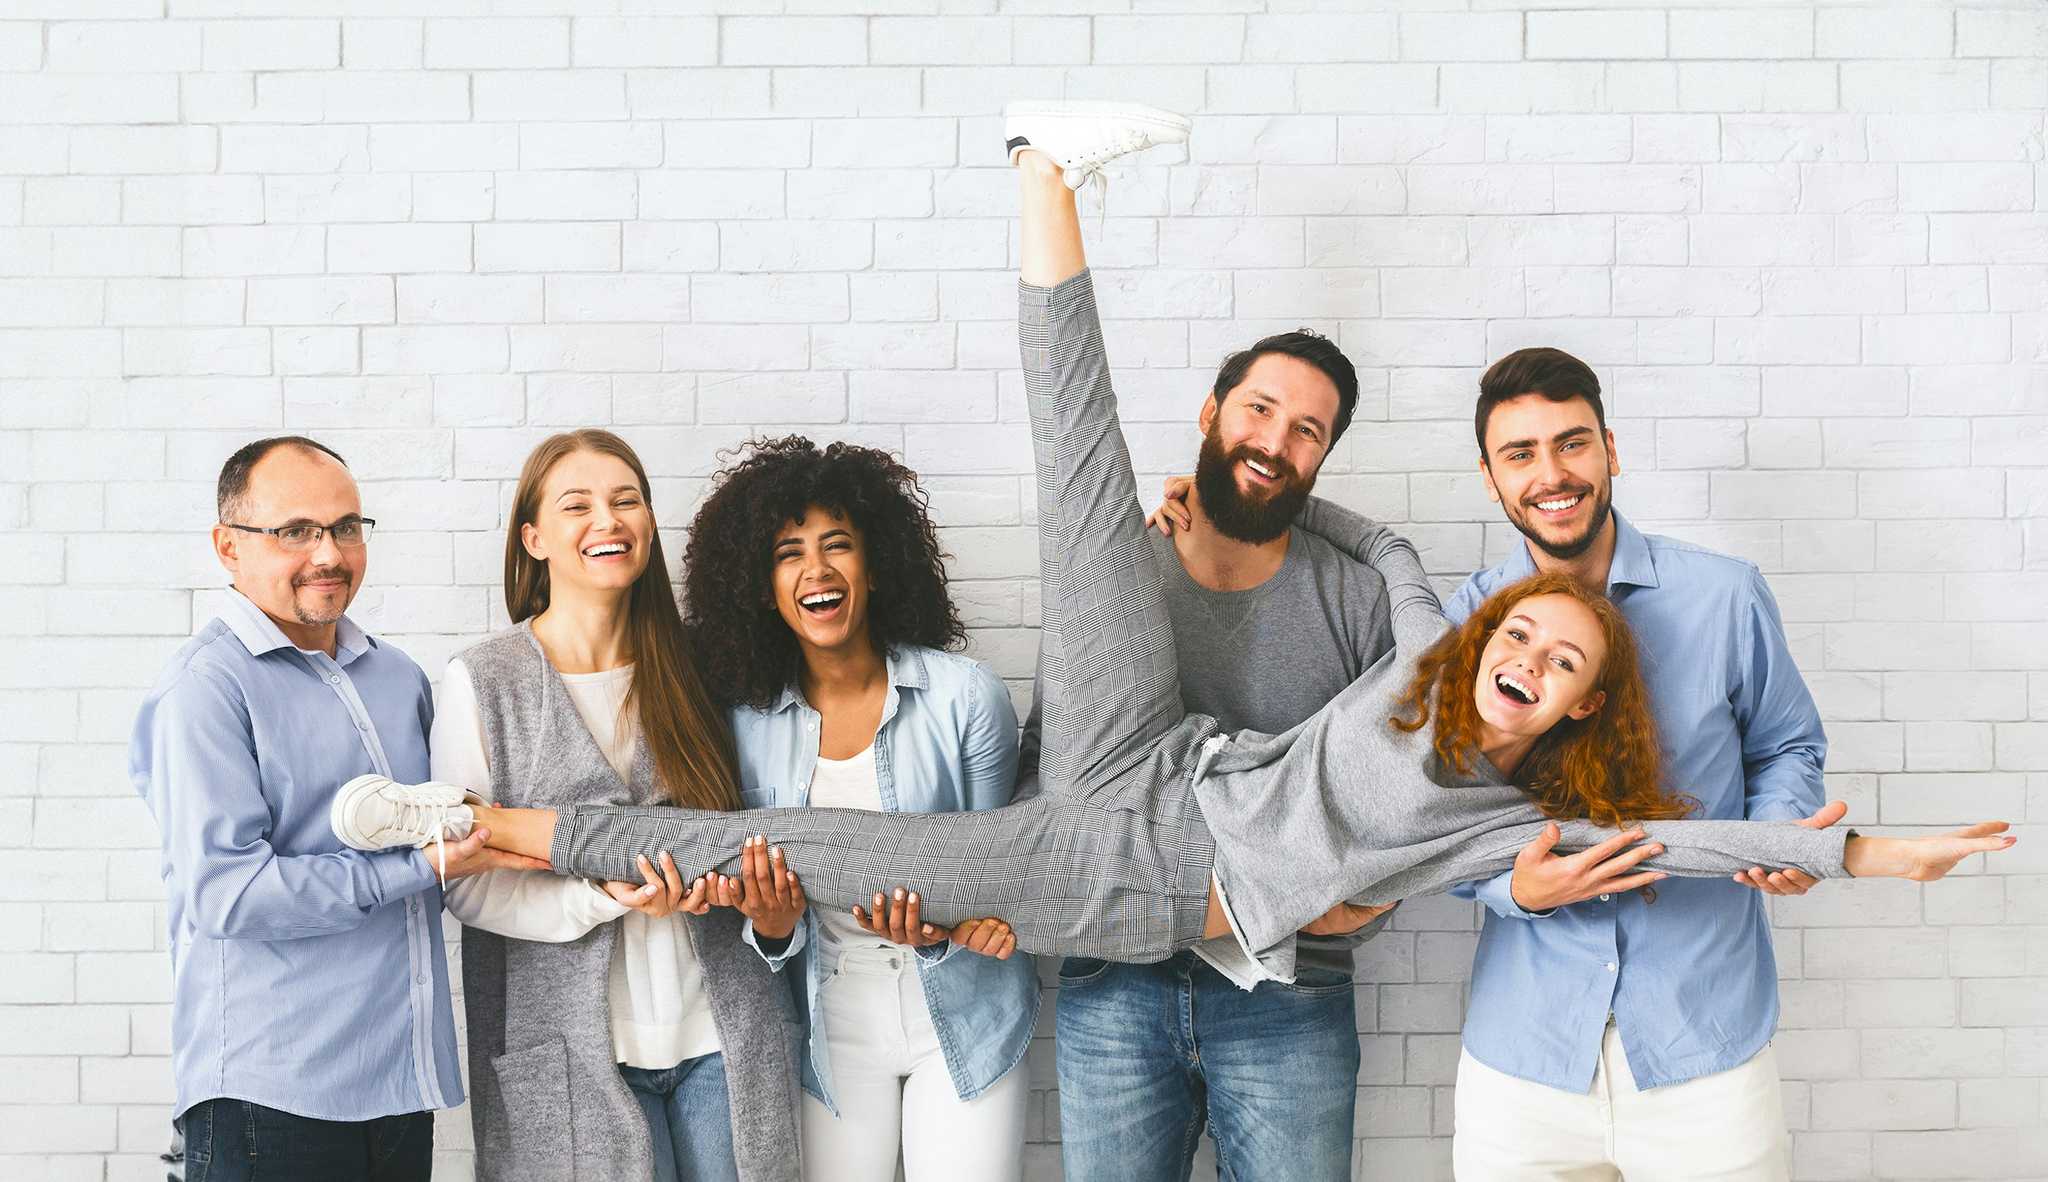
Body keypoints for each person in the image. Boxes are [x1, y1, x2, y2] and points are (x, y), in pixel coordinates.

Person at [331, 104, 2013, 984]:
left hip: (1130, 876)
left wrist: (1889, 852)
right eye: (1526, 630)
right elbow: (1377, 533)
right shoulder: (1434, 626)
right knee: (1085, 482)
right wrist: (1215, 501)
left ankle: (475, 824)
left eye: (1561, 660)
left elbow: (1708, 845)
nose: (1525, 652)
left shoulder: (1504, 815)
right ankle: (1040, 170)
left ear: (1576, 711)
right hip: (1151, 753)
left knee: (794, 846)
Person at [1009, 105, 1400, 1181]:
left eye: (1305, 428)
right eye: (1259, 409)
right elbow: (1054, 755)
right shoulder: (1121, 574)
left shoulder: (1358, 605)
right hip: (1110, 986)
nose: (1273, 441)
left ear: (1320, 460)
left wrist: (1353, 906)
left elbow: (1396, 795)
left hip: (1288, 998)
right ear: (1210, 410)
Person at [1438, 348, 1846, 1178]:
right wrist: (1509, 889)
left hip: (1706, 1046)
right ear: (1489, 478)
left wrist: (1774, 841)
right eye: (1520, 454)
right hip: (1525, 1060)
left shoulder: (1726, 596)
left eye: (1572, 443)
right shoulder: (1469, 619)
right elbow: (1429, 810)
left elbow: (1786, 745)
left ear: (1611, 450)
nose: (1552, 474)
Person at [378, 429, 801, 1182]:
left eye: (626, 500)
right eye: (578, 506)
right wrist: (596, 899)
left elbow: (762, 829)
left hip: (720, 1035)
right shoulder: (484, 681)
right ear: (533, 538)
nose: (608, 520)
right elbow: (466, 879)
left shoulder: (707, 665)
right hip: (572, 1050)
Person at [131, 436, 542, 1182]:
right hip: (270, 1103)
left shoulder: (395, 676)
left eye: (347, 527)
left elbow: (449, 831)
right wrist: (416, 869)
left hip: (397, 1090)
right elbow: (231, 893)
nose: (329, 553)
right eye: (296, 531)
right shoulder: (205, 691)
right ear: (229, 547)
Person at [678, 435, 1036, 1182]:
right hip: (830, 1025)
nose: (816, 570)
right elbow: (766, 918)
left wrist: (953, 925)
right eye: (788, 553)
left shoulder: (964, 696)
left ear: (874, 568)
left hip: (965, 1015)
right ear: (763, 587)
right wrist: (771, 929)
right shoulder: (744, 725)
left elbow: (1008, 871)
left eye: (837, 545)